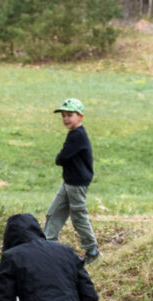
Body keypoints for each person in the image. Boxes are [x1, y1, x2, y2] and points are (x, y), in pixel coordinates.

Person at [43, 98, 100, 264]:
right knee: (54, 212)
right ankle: (48, 245)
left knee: (78, 216)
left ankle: (92, 250)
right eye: (63, 116)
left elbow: (63, 157)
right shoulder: (74, 134)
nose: (66, 119)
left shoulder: (78, 136)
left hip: (77, 183)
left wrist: (59, 158)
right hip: (69, 182)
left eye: (70, 115)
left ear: (80, 116)